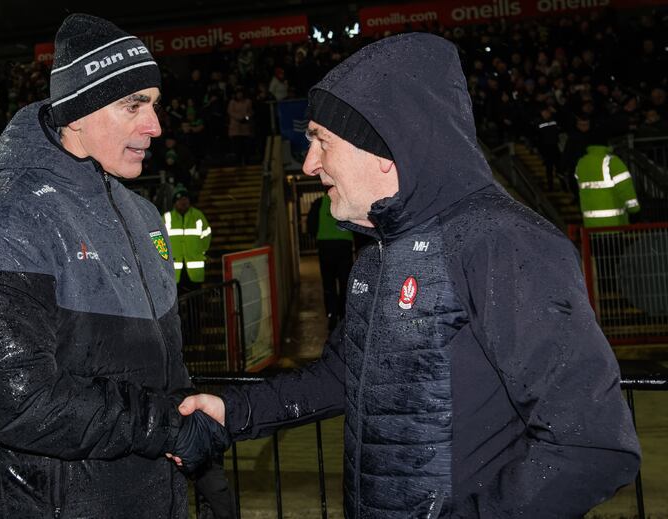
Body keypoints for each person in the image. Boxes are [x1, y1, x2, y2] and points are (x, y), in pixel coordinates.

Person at [177, 33, 641, 517]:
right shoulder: (379, 252)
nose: (310, 163)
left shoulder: (503, 242)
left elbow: (591, 445)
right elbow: (342, 375)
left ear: (384, 148)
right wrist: (233, 412)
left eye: (321, 140)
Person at [0, 14, 228, 518]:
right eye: (133, 105)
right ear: (77, 113)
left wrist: (207, 472)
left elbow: (167, 369)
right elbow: (18, 402)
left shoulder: (143, 215)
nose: (155, 126)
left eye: (154, 105)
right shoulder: (2, 224)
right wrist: (167, 426)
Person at [306, 194, 353, 330]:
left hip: (325, 245)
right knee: (345, 282)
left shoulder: (319, 203)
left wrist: (317, 236)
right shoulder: (346, 200)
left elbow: (311, 225)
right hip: (344, 245)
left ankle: (332, 315)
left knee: (328, 283)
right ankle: (344, 315)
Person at [575, 144, 640, 227]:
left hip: (590, 226)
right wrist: (634, 210)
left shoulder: (581, 163)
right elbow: (626, 189)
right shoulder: (613, 162)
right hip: (614, 224)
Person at [164, 186, 212, 293]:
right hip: (174, 271)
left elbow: (206, 235)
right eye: (180, 199)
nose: (183, 202)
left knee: (195, 298)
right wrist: (164, 256)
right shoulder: (167, 218)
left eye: (185, 199)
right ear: (174, 203)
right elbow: (158, 239)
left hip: (194, 270)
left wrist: (201, 252)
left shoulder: (198, 216)